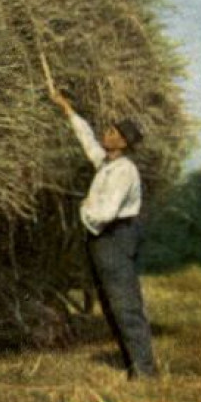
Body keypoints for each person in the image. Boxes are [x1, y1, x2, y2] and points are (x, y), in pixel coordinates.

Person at [48, 89, 157, 379]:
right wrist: (67, 109)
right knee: (111, 304)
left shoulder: (124, 172)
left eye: (110, 132)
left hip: (115, 237)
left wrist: (84, 210)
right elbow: (88, 142)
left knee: (124, 304)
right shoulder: (108, 165)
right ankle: (133, 364)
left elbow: (106, 213)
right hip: (104, 240)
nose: (104, 134)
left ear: (122, 142)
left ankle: (145, 371)